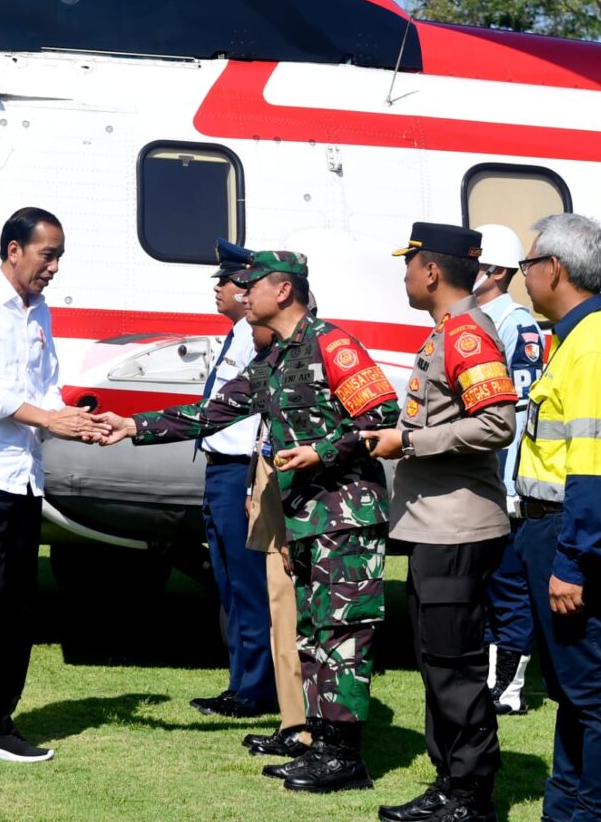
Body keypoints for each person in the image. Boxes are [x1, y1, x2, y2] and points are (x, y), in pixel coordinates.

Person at [97, 250, 399, 793]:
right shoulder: (277, 359)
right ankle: (322, 745)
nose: (242, 293)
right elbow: (211, 412)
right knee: (314, 635)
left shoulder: (333, 344)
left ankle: (345, 756)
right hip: (308, 518)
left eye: (251, 285)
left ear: (282, 291)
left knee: (343, 635)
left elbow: (380, 421)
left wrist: (320, 452)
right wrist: (132, 426)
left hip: (346, 516)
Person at [477, 214, 601, 822]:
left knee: (595, 697)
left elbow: (596, 468)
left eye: (530, 263)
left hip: (570, 531)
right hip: (547, 527)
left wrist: (571, 560)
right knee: (573, 693)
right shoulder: (574, 339)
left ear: (556, 271)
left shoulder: (596, 346)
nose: (525, 275)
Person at [0, 207, 108, 766]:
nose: (52, 266)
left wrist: (78, 421)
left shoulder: (41, 312)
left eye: (57, 256)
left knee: (20, 604)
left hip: (24, 474)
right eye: (46, 254)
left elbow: (46, 386)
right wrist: (51, 420)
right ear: (13, 250)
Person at [364, 222, 517, 822]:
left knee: (454, 668)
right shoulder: (447, 334)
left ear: (431, 271)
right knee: (434, 665)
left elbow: (497, 423)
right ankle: (448, 782)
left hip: (459, 527)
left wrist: (411, 441)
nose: (404, 277)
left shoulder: (467, 334)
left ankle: (474, 798)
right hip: (435, 527)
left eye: (409, 266)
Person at [187, 239, 276, 719]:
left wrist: (249, 484)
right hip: (219, 468)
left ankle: (257, 688)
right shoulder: (239, 333)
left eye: (224, 280)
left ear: (245, 288)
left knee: (246, 586)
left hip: (238, 470)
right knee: (229, 585)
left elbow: (259, 413)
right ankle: (241, 683)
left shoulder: (256, 335)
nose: (217, 289)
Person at [472, 223, 544, 716]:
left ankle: (510, 688)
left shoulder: (515, 325)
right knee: (486, 582)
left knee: (507, 585)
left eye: (473, 262)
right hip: (481, 478)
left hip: (504, 479)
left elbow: (517, 414)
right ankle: (491, 678)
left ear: (496, 271)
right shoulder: (476, 319)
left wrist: (507, 482)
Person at [241, 319, 311, 758]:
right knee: (279, 617)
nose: (249, 311)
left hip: (297, 508)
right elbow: (260, 434)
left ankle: (306, 728)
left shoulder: (313, 357)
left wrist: (290, 527)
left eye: (254, 292)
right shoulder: (270, 362)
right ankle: (292, 723)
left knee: (295, 622)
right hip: (271, 499)